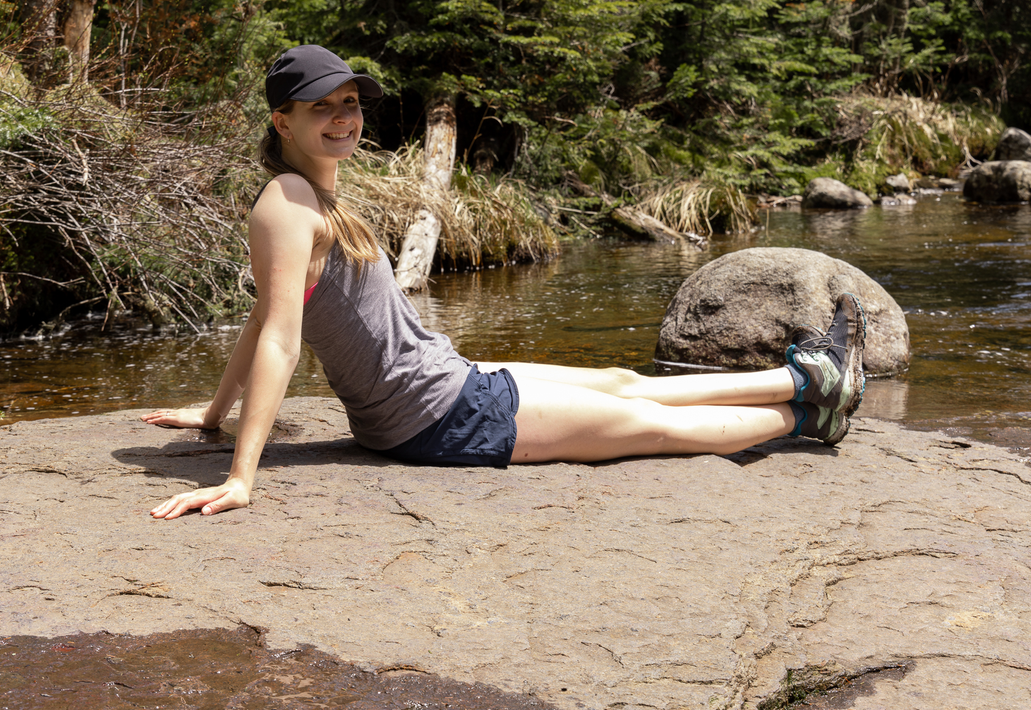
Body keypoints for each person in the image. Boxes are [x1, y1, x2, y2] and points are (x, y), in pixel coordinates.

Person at [142, 45, 866, 519]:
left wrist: (212, 413)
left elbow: (266, 311)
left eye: (351, 103)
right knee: (652, 428)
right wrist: (243, 474)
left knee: (621, 378)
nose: (343, 118)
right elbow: (277, 336)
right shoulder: (287, 204)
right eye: (322, 107)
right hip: (435, 415)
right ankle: (811, 410)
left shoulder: (316, 192)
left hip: (445, 382)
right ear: (283, 119)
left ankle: (804, 378)